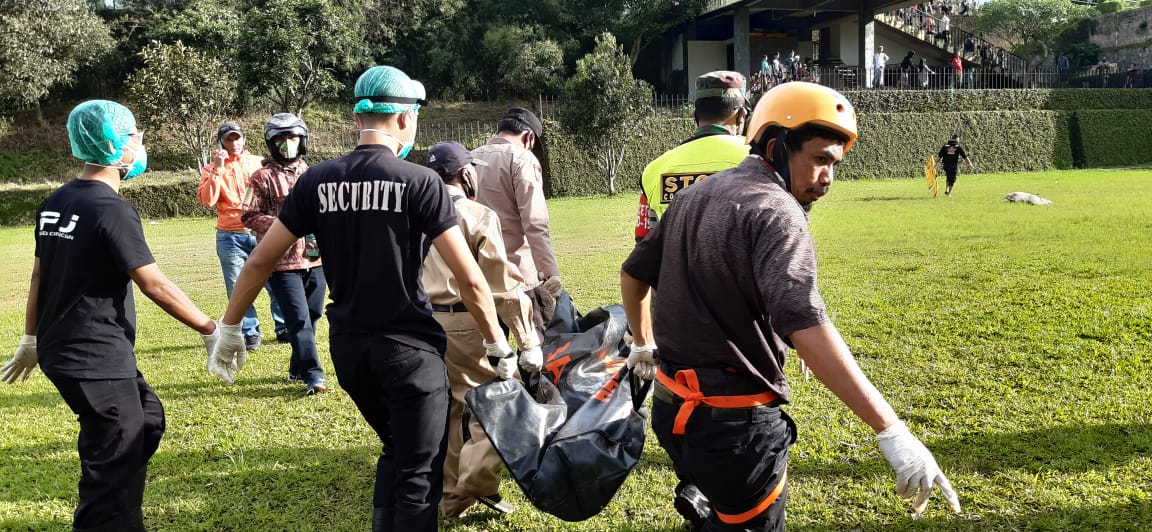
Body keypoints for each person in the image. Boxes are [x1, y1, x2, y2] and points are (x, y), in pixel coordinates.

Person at [619, 82, 961, 531]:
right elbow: (806, 324)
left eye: (835, 164)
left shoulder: (691, 197)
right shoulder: (777, 210)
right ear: (778, 146)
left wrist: (643, 344)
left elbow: (635, 274)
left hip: (671, 411)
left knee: (715, 518)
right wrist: (892, 431)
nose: (828, 178)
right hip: (735, 427)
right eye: (819, 159)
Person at [208, 65, 514, 532]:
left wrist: (229, 328)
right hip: (410, 351)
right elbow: (470, 279)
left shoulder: (316, 180)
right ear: (407, 119)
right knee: (419, 471)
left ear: (357, 117)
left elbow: (258, 261)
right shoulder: (420, 182)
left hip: (350, 350)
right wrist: (498, 346)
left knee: (395, 449)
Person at [1, 100, 219, 532]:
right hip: (92, 354)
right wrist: (211, 329)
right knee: (116, 456)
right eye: (134, 133)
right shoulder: (111, 209)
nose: (141, 141)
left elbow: (38, 276)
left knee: (147, 419)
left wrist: (32, 339)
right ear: (112, 143)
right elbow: (153, 283)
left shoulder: (55, 201)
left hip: (74, 352)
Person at [422, 141, 543, 519]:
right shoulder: (476, 215)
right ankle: (468, 487)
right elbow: (501, 287)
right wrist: (526, 340)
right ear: (466, 173)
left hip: (421, 322)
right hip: (466, 323)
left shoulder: (410, 213)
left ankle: (448, 484)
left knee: (446, 409)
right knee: (493, 404)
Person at [241, 113, 327, 395]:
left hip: (315, 258)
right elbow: (248, 214)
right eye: (280, 139)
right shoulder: (262, 177)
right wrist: (282, 228)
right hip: (281, 262)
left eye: (292, 138)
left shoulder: (313, 174)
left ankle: (296, 366)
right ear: (271, 143)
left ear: (302, 141)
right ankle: (314, 375)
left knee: (313, 315)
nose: (286, 144)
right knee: (298, 319)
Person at [471, 107, 561, 332]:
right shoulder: (523, 159)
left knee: (491, 351)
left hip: (480, 272)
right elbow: (535, 223)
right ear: (529, 137)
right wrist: (551, 272)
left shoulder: (469, 159)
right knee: (538, 350)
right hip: (521, 275)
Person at [199, 121, 286, 350]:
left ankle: (283, 327)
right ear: (221, 143)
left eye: (237, 138)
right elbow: (208, 201)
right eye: (229, 139)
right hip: (229, 235)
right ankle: (250, 332)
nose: (234, 143)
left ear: (244, 139)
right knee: (238, 287)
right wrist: (217, 168)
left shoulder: (258, 163)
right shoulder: (211, 168)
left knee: (275, 280)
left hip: (262, 233)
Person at [635, 71, 750, 243]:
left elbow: (643, 241)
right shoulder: (756, 158)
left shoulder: (654, 170)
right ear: (741, 116)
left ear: (696, 116)